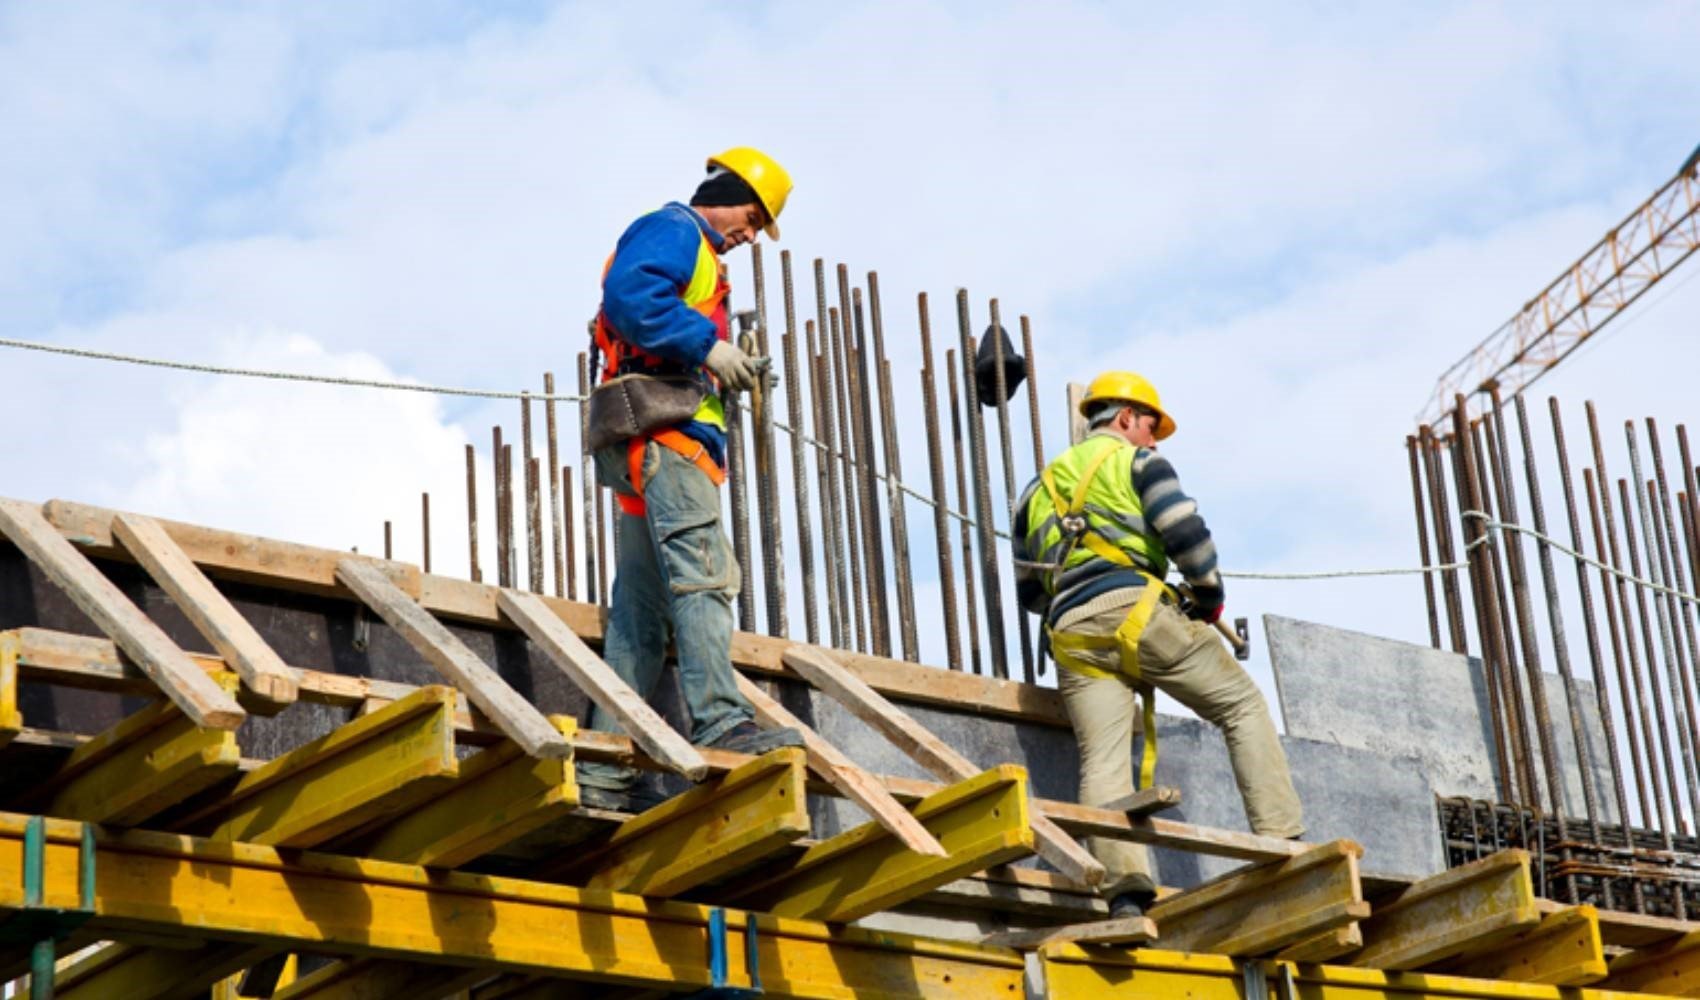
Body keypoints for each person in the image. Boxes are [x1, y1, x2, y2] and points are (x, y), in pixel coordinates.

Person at [1011, 371, 1304, 917]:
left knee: (1102, 760)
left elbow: (1030, 591)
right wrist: (1208, 596)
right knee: (1241, 706)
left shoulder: (1035, 490)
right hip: (1139, 612)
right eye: (1150, 426)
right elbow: (1185, 533)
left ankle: (1124, 893)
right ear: (1124, 418)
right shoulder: (1137, 462)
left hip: (1071, 633)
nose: (1153, 439)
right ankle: (1284, 842)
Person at [576, 147, 803, 810]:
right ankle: (722, 721)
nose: (751, 234)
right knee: (705, 578)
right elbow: (631, 297)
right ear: (725, 192)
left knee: (641, 617)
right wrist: (709, 348)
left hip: (646, 444)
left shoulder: (699, 256)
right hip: (669, 444)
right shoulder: (677, 230)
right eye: (753, 217)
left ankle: (603, 768)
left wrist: (725, 364)